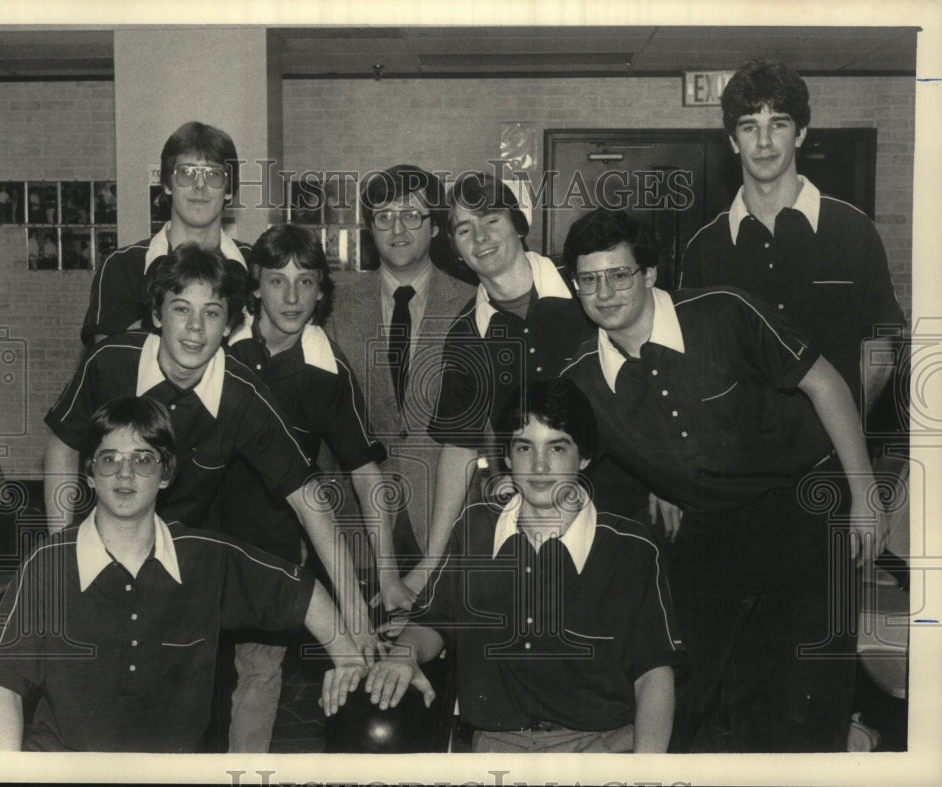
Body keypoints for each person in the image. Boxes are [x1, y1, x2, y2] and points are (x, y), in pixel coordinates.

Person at [560, 208, 888, 752]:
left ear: (648, 274)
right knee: (688, 692)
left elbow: (827, 385)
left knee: (809, 697)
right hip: (709, 531)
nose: (605, 292)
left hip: (805, 511)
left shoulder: (722, 311)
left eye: (618, 275)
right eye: (589, 279)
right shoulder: (581, 378)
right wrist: (659, 482)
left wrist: (864, 494)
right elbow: (578, 452)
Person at [0, 397, 367, 752]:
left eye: (142, 459)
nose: (124, 475)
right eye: (109, 459)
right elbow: (3, 688)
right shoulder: (49, 563)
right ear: (90, 474)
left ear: (165, 474)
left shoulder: (206, 558)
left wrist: (348, 658)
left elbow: (301, 590)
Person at [44, 245, 378, 655]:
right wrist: (61, 553)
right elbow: (61, 446)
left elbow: (311, 502)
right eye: (181, 309)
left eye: (212, 313)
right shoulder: (111, 360)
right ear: (156, 315)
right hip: (97, 539)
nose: (195, 328)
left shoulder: (244, 397)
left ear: (229, 325)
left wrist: (358, 623)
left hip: (174, 555)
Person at [360, 377, 685, 753]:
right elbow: (435, 621)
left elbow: (654, 674)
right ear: (508, 457)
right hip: (497, 745)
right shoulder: (476, 528)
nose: (540, 465)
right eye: (525, 447)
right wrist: (405, 653)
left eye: (557, 447)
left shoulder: (630, 548)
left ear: (584, 456)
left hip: (601, 745)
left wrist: (646, 774)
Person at [412, 172, 649, 596]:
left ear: (519, 225)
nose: (480, 237)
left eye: (491, 220)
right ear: (456, 251)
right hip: (536, 524)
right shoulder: (466, 335)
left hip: (626, 505)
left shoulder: (588, 286)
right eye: (465, 229)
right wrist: (431, 564)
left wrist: (667, 483)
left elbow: (649, 372)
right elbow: (459, 449)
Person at [223, 223, 410, 751]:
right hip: (197, 531)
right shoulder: (215, 342)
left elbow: (365, 471)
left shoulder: (326, 370)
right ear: (254, 286)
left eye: (305, 282)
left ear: (322, 292)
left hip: (273, 544)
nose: (290, 296)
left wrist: (390, 577)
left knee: (258, 675)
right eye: (276, 281)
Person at [679, 59, 905, 415]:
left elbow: (883, 342)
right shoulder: (705, 248)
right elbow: (693, 358)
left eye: (778, 124)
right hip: (739, 459)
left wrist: (843, 430)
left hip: (833, 457)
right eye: (750, 127)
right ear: (733, 141)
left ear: (800, 133)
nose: (764, 142)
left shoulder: (854, 231)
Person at [324, 165, 474, 602]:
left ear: (436, 226)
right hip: (356, 521)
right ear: (370, 228)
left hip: (446, 516)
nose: (398, 228)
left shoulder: (471, 303)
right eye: (384, 217)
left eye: (412, 215)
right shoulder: (335, 305)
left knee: (445, 656)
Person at [80, 121, 251, 345]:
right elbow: (108, 367)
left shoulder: (256, 267)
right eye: (186, 173)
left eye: (214, 174)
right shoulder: (123, 267)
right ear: (167, 184)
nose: (200, 185)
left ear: (229, 190)